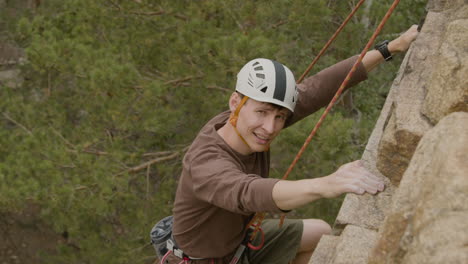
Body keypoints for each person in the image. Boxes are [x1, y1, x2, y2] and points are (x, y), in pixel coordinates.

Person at [161, 25, 419, 264]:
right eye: (262, 113)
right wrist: (326, 184)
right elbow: (248, 192)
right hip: (203, 260)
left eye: (279, 116)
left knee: (320, 232)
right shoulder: (205, 163)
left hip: (238, 245)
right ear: (235, 102)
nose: (270, 128)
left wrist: (390, 48)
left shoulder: (244, 122)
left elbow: (320, 87)